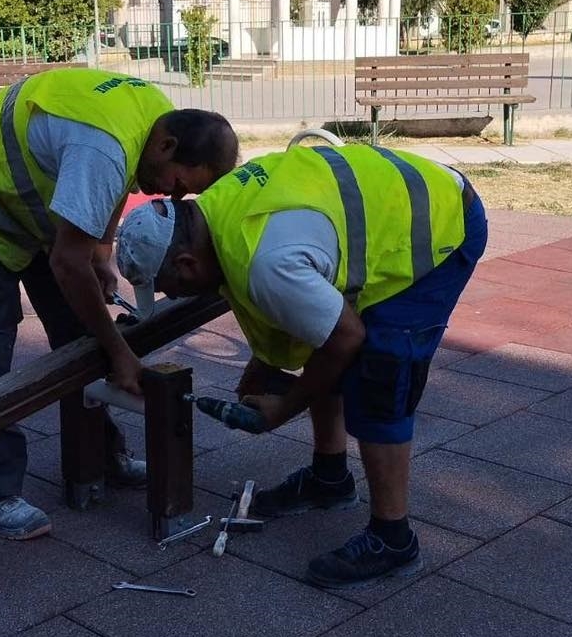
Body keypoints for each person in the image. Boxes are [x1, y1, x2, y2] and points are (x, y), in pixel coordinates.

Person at [114, 143, 486, 588]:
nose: (172, 297)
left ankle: (394, 539)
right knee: (325, 341)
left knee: (380, 377)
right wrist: (264, 361)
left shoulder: (270, 262)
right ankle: (329, 481)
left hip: (441, 223)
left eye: (168, 287)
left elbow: (344, 337)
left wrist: (283, 408)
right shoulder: (217, 209)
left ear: (187, 262)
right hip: (394, 202)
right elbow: (311, 322)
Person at [0, 67, 239, 541]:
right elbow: (69, 258)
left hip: (33, 204)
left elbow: (113, 189)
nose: (171, 196)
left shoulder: (154, 120)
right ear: (168, 147)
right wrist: (120, 352)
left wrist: (99, 250)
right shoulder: (105, 147)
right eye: (178, 184)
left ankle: (99, 455)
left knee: (79, 331)